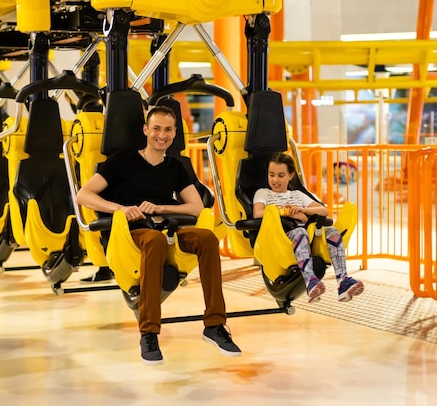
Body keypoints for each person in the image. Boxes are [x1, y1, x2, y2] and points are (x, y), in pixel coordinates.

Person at [76, 105, 241, 365]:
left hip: (166, 229)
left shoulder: (176, 166)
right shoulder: (121, 160)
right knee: (153, 241)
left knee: (207, 239)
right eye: (156, 129)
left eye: (167, 130)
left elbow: (197, 207)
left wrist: (162, 207)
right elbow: (83, 195)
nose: (161, 135)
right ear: (146, 130)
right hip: (129, 233)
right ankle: (149, 332)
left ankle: (214, 325)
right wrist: (122, 209)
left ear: (175, 133)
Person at [252, 152, 364, 303]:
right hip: (279, 237)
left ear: (290, 175)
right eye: (271, 175)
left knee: (332, 232)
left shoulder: (298, 194)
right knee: (300, 232)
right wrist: (288, 213)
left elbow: (323, 211)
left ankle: (343, 282)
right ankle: (310, 281)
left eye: (280, 175)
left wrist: (302, 210)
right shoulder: (263, 193)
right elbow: (258, 213)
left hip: (307, 235)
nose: (275, 179)